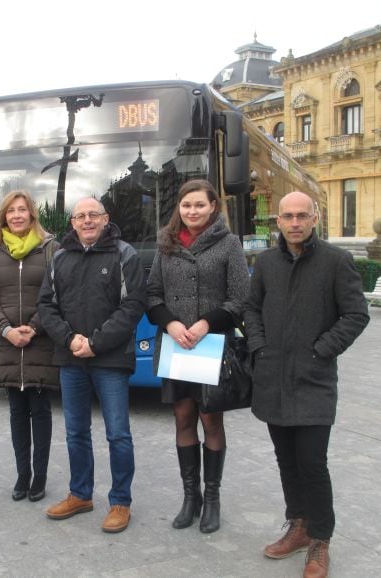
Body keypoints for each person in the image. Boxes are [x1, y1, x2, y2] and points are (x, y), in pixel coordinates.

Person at [243, 191, 370, 578]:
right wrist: (259, 346)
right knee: (286, 460)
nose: (295, 222)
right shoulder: (265, 263)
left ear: (314, 219)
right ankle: (297, 525)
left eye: (302, 215)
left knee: (312, 463)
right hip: (273, 378)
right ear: (277, 221)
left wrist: (321, 350)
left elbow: (355, 314)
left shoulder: (336, 261)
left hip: (314, 380)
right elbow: (251, 307)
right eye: (288, 216)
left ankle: (320, 540)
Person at [146, 179, 250, 534]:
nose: (192, 211)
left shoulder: (229, 244)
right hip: (176, 346)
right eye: (186, 205)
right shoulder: (166, 243)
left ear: (213, 207)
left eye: (199, 205)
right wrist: (171, 324)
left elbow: (240, 298)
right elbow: (152, 294)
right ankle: (190, 497)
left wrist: (207, 322)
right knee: (183, 417)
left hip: (211, 346)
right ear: (179, 208)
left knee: (211, 421)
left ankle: (213, 498)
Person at [37, 196, 146, 533]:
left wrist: (96, 343)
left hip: (110, 360)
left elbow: (133, 306)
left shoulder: (124, 254)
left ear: (105, 218)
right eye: (80, 216)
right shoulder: (60, 257)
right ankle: (81, 494)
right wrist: (70, 339)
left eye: (93, 215)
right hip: (71, 358)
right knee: (75, 433)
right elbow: (46, 306)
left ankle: (120, 502)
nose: (86, 220)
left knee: (118, 434)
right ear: (72, 223)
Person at [0, 190, 60, 503]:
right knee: (16, 413)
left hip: (40, 342)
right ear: (3, 217)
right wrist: (6, 329)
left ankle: (39, 477)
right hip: (8, 343)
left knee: (40, 412)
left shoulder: (50, 248)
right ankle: (21, 474)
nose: (16, 215)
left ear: (32, 215)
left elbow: (57, 294)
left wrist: (36, 327)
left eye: (22, 210)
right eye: (10, 211)